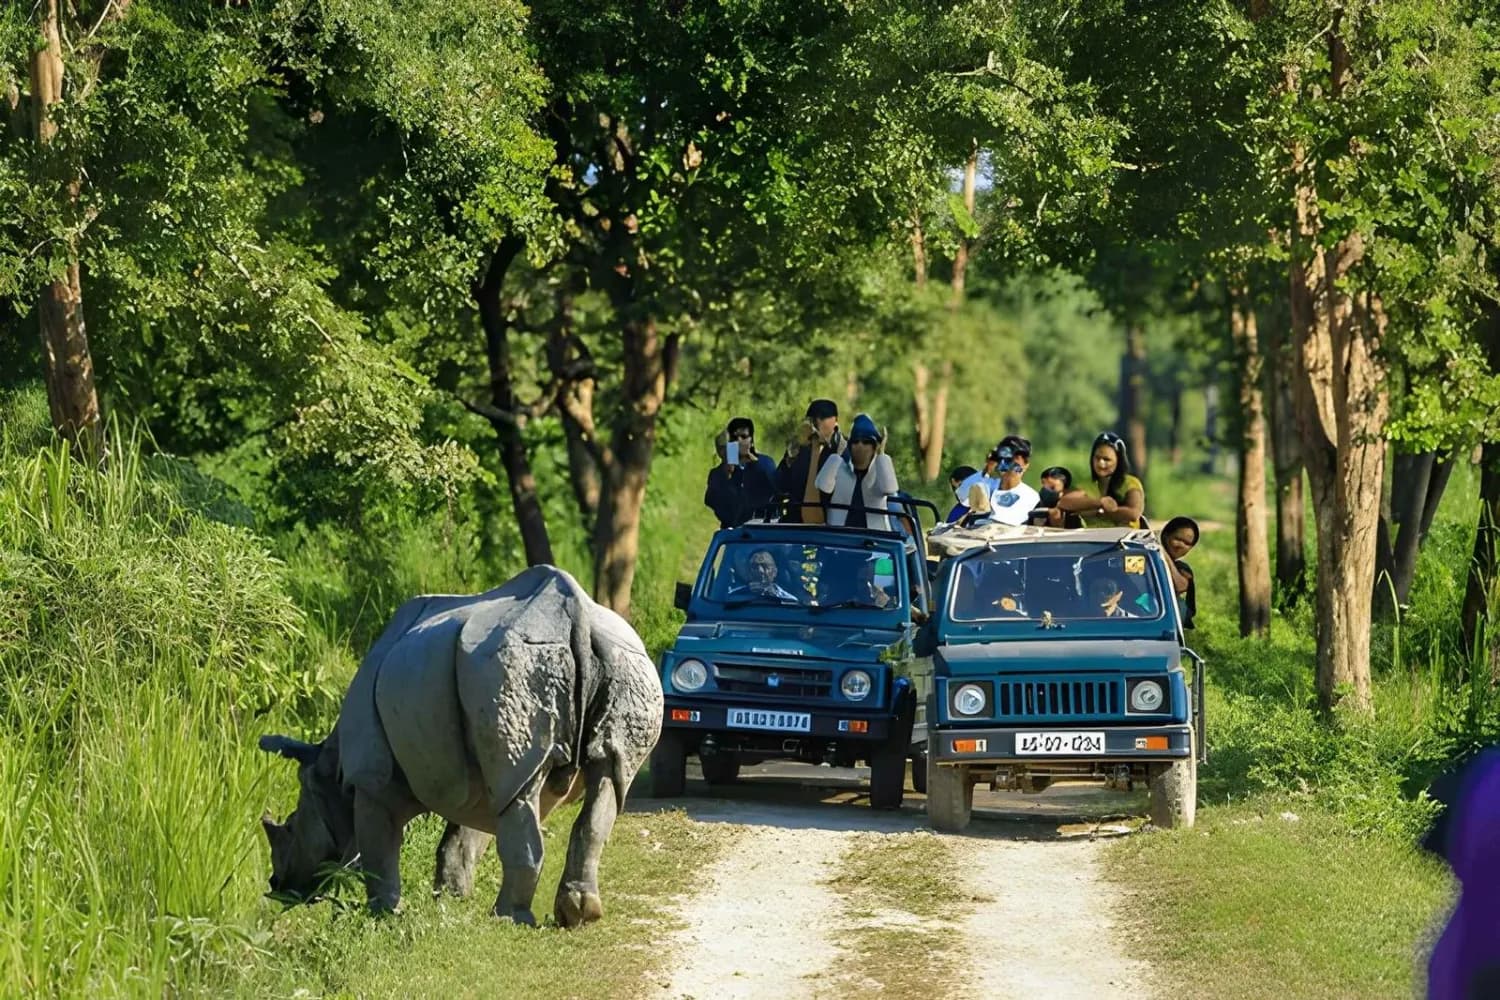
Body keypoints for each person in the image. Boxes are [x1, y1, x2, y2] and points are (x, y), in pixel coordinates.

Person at [816, 414, 899, 530]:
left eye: (866, 442)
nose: (860, 446)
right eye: (855, 442)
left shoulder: (879, 471)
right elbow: (823, 486)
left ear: (873, 447)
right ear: (849, 446)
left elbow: (889, 489)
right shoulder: (840, 467)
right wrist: (836, 455)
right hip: (839, 536)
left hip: (874, 538)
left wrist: (881, 455)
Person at [1052, 432, 1146, 528]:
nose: (1101, 463)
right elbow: (1064, 502)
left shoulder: (1130, 483)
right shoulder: (1087, 484)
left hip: (1124, 540)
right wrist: (1099, 502)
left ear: (1119, 460)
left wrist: (1097, 513)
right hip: (1093, 540)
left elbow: (1133, 514)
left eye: (1106, 459)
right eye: (1097, 458)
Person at [704, 417, 779, 528]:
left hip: (764, 528)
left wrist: (755, 463)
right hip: (735, 533)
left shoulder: (763, 463)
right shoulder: (718, 474)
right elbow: (713, 501)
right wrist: (728, 475)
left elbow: (777, 489)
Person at [777, 399, 844, 524]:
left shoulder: (843, 449)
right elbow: (780, 484)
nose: (817, 423)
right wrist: (791, 456)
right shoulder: (801, 447)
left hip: (830, 523)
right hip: (795, 521)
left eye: (823, 418)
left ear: (835, 420)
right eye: (813, 419)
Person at [973, 435, 1040, 527]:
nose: (1003, 463)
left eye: (1011, 459)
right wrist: (987, 469)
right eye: (1000, 459)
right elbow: (963, 498)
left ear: (1025, 464)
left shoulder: (1031, 497)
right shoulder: (985, 486)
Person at [1161, 516, 1199, 629]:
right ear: (1165, 535)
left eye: (1187, 543)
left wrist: (1164, 555)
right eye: (1177, 539)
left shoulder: (1182, 568)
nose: (1180, 546)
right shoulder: (1143, 558)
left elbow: (1180, 586)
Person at [727, 547, 800, 602]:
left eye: (765, 566)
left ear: (775, 571)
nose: (760, 571)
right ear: (749, 571)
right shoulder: (735, 598)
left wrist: (773, 596)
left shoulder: (789, 601)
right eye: (754, 567)